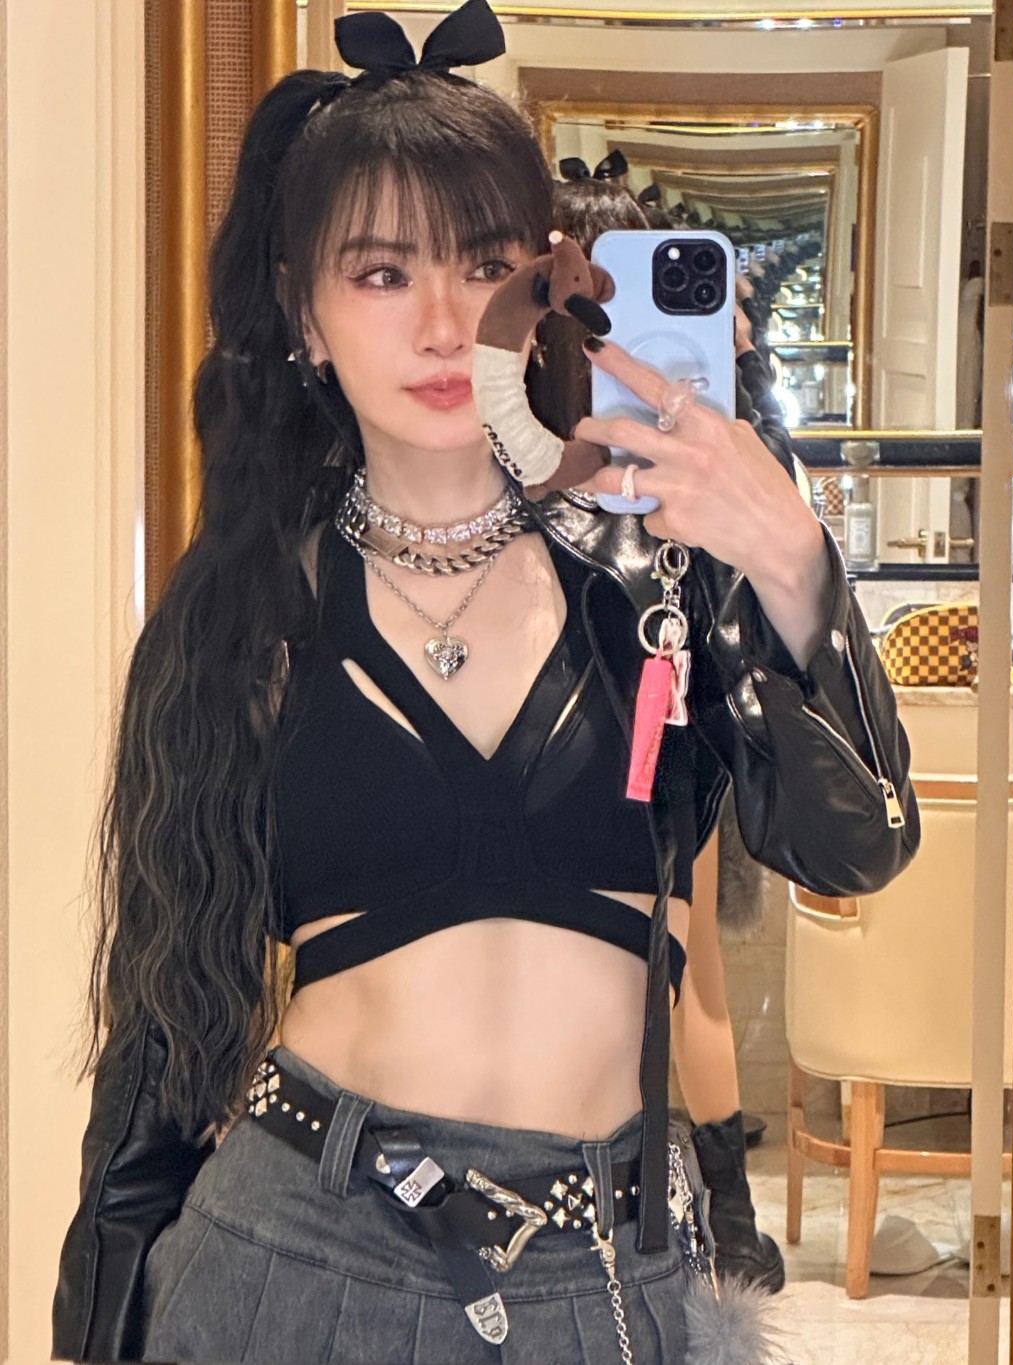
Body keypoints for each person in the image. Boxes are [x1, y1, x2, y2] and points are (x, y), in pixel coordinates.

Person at [53, 4, 918, 1362]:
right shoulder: (246, 614)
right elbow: (167, 1031)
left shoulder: (656, 578)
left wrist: (789, 554)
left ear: (547, 290)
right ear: (304, 313)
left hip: (607, 1282)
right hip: (299, 1265)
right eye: (382, 273)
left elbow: (853, 846)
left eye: (487, 265)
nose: (446, 322)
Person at [534, 174, 788, 1294]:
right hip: (665, 694)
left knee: (635, 965)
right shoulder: (632, 420)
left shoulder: (538, 428)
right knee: (686, 971)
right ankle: (726, 1224)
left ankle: (696, 1215)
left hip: (621, 699)